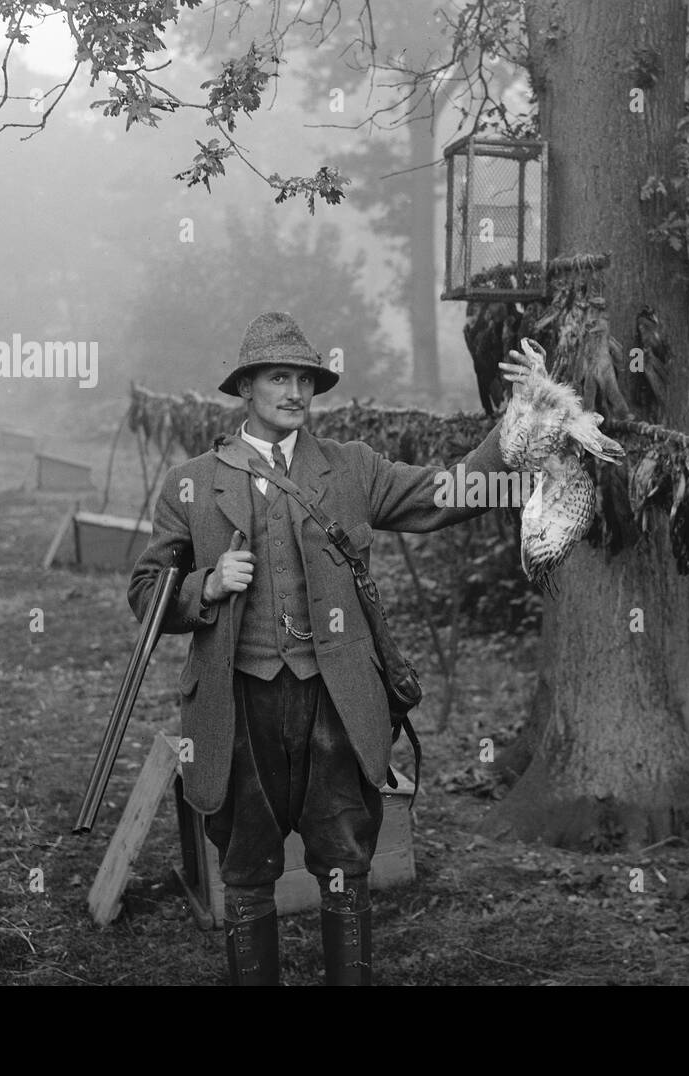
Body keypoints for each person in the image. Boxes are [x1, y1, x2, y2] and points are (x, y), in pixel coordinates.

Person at [128, 311, 508, 986]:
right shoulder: (192, 481)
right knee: (247, 867)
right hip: (238, 702)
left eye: (305, 378)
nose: (295, 391)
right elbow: (144, 594)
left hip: (334, 698)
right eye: (279, 377)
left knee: (343, 857)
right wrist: (205, 585)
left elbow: (446, 494)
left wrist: (515, 434)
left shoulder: (351, 468)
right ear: (246, 386)